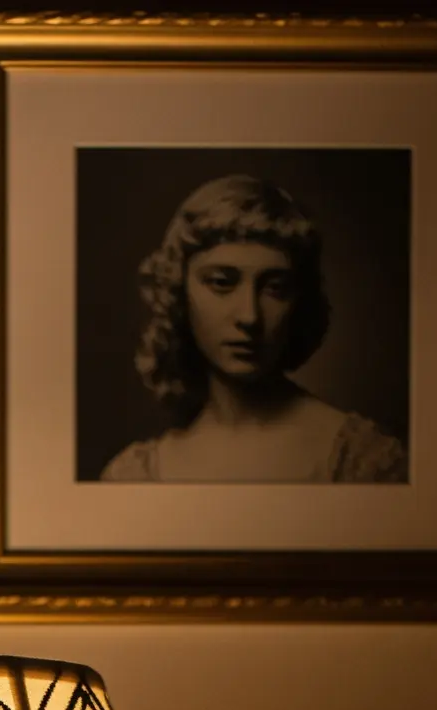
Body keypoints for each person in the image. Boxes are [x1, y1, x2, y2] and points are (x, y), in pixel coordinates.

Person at [99, 174, 406, 485]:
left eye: (274, 287)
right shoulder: (137, 474)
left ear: (299, 301)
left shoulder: (359, 459)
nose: (249, 315)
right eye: (221, 282)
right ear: (179, 291)